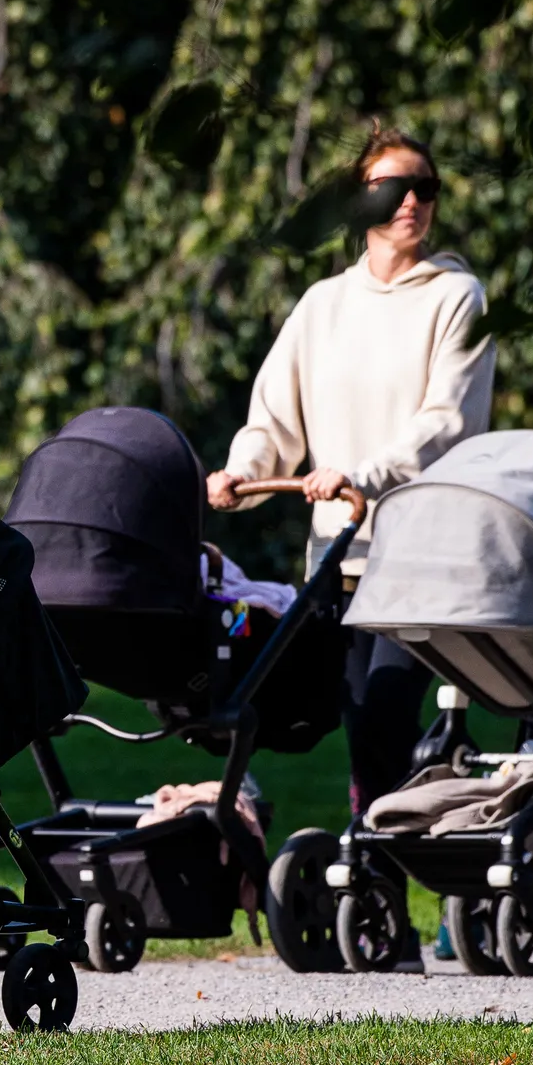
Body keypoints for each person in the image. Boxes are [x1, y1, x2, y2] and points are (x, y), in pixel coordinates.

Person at [209, 126, 495, 969]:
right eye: (391, 187)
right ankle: (388, 900)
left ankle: (395, 902)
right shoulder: (323, 306)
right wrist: (241, 469)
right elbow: (274, 418)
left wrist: (365, 473)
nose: (412, 201)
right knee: (355, 724)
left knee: (388, 725)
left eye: (425, 187)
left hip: (423, 555)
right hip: (338, 560)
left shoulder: (456, 297)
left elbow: (446, 422)